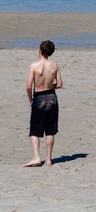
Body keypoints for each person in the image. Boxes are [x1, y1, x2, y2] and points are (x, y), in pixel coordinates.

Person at [24, 39, 63, 167]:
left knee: (35, 131)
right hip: (51, 96)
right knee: (50, 130)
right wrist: (51, 86)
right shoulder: (54, 65)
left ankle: (36, 157)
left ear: (40, 50)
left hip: (39, 97)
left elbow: (29, 86)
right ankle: (48, 159)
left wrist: (31, 100)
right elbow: (60, 84)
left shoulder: (34, 66)